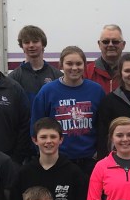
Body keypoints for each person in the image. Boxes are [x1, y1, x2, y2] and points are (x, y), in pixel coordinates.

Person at [31, 45, 107, 177]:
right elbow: (36, 126)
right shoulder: (47, 91)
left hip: (90, 161)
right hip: (58, 161)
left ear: (85, 65)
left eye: (79, 63)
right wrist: (42, 154)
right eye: (69, 63)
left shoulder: (96, 90)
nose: (74, 68)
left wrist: (99, 153)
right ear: (61, 65)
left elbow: (103, 125)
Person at [8, 24, 61, 105]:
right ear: (22, 46)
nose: (31, 45)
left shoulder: (57, 75)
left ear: (43, 44)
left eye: (35, 41)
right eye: (26, 42)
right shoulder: (13, 78)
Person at [84, 24, 125, 92]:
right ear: (99, 44)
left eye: (115, 42)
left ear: (123, 45)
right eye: (106, 42)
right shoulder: (87, 72)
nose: (110, 45)